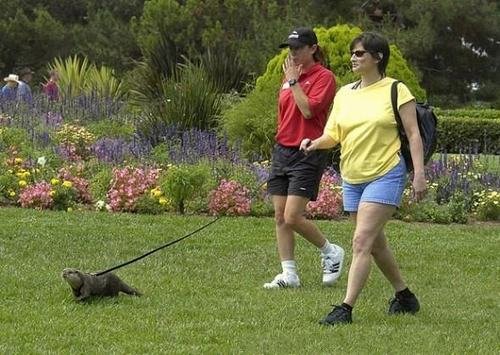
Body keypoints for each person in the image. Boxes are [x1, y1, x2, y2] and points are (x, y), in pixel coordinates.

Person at [301, 31, 426, 324]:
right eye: (352, 53)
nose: (353, 58)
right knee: (375, 243)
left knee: (360, 241)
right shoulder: (345, 93)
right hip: (353, 176)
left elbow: (413, 134)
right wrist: (314, 143)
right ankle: (405, 296)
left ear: (377, 57)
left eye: (360, 54)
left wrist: (419, 174)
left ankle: (344, 308)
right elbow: (333, 134)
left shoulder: (396, 89)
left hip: (386, 173)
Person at [264, 27, 345, 289]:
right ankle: (289, 274)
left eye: (298, 48)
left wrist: (294, 82)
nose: (293, 53)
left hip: (308, 151)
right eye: (291, 48)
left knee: (292, 216)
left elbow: (309, 111)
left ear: (312, 49)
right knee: (279, 216)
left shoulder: (325, 77)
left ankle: (331, 251)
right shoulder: (289, 76)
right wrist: (290, 80)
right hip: (283, 150)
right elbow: (285, 112)